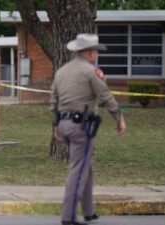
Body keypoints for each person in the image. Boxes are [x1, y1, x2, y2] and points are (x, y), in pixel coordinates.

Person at [50, 33, 126, 225]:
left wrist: (56, 125)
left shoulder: (61, 71)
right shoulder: (91, 71)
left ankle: (89, 211)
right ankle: (68, 216)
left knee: (85, 166)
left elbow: (53, 100)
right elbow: (105, 96)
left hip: (64, 125)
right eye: (96, 51)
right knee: (78, 169)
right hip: (80, 126)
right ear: (91, 53)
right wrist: (119, 118)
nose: (96, 55)